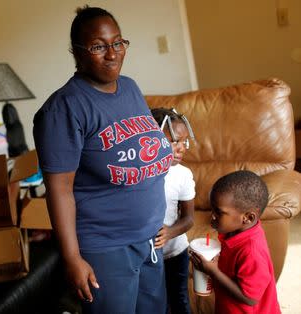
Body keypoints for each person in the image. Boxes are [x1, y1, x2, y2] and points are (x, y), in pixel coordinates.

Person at [33, 6, 173, 314]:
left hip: (150, 239)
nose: (112, 53)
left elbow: (138, 146)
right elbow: (59, 190)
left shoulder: (131, 88)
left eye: (118, 43)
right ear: (77, 52)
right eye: (98, 46)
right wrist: (72, 259)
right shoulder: (63, 110)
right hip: (106, 246)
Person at [190, 170, 281, 314]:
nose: (212, 216)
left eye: (219, 212)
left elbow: (250, 298)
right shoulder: (232, 232)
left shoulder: (252, 251)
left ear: (248, 218)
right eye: (211, 208)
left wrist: (213, 271)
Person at [151, 108, 195, 314]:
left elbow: (188, 219)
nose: (182, 148)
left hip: (175, 252)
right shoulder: (140, 175)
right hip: (148, 256)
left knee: (179, 300)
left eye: (184, 141)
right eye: (174, 141)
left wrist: (169, 232)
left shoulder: (183, 175)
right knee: (156, 303)